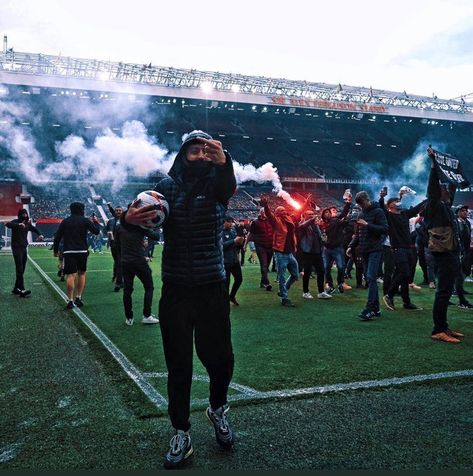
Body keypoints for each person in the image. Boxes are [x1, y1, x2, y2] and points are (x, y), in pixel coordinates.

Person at [123, 130, 236, 468]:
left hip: (212, 285)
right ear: (183, 153)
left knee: (220, 360)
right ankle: (181, 431)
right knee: (179, 364)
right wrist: (126, 221)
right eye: (194, 149)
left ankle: (217, 409)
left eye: (206, 149)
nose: (201, 154)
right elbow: (143, 224)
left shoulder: (219, 183)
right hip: (176, 290)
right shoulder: (165, 187)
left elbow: (228, 185)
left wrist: (225, 162)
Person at [424, 147, 465, 343]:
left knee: (447, 291)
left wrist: (456, 177)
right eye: (445, 189)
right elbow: (433, 188)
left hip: (451, 253)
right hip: (443, 254)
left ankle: (444, 326)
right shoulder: (433, 205)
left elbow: (452, 188)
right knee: (443, 292)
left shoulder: (446, 207)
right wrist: (434, 165)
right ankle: (437, 330)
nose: (448, 190)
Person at [379, 187, 425, 312]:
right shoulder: (388, 216)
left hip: (408, 248)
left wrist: (428, 199)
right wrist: (382, 197)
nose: (398, 202)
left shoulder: (405, 214)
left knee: (406, 276)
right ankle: (389, 295)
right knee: (404, 272)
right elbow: (381, 208)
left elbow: (418, 208)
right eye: (395, 202)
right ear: (390, 206)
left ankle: (406, 302)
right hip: (397, 248)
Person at [261, 194, 310, 307]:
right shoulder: (275, 221)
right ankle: (284, 297)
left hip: (290, 252)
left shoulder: (289, 219)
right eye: (281, 211)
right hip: (280, 253)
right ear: (277, 213)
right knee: (282, 276)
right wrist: (266, 205)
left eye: (284, 210)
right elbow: (269, 214)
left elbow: (298, 212)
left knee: (295, 274)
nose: (284, 212)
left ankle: (284, 289)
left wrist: (305, 203)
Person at [347, 191, 388, 321]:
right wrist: (351, 245)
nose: (361, 206)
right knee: (369, 279)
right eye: (359, 204)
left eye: (362, 203)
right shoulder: (362, 213)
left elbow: (385, 229)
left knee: (370, 277)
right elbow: (359, 233)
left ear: (367, 199)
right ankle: (375, 309)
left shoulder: (379, 212)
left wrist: (368, 225)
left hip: (375, 249)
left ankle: (370, 308)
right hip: (364, 250)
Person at [116, 212, 160, 326]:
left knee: (127, 289)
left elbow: (116, 244)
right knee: (149, 287)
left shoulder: (119, 227)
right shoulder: (140, 226)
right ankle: (147, 315)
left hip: (125, 261)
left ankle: (129, 318)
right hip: (139, 261)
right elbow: (156, 236)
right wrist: (154, 224)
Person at [53, 202, 100, 309]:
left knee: (70, 275)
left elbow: (57, 237)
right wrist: (96, 223)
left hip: (69, 251)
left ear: (71, 209)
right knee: (81, 274)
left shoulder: (65, 221)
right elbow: (96, 232)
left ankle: (70, 300)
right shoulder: (85, 220)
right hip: (82, 251)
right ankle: (78, 298)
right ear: (82, 209)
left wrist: (56, 251)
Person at [6, 208, 44, 297]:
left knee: (22, 268)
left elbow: (34, 229)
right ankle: (22, 290)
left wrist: (40, 234)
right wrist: (18, 224)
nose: (24, 215)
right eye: (23, 214)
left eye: (25, 214)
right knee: (19, 268)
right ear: (19, 215)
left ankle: (16, 288)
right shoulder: (15, 222)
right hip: (16, 248)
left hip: (24, 248)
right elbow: (8, 224)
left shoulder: (27, 224)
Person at [319, 197, 352, 294]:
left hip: (337, 248)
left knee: (341, 267)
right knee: (326, 267)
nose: (328, 213)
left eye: (329, 212)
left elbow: (343, 214)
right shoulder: (320, 224)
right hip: (327, 249)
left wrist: (348, 203)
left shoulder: (335, 221)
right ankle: (329, 284)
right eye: (326, 212)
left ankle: (340, 282)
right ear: (323, 215)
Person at [298, 208, 331, 299]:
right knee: (307, 272)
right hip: (307, 252)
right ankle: (305, 292)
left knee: (321, 271)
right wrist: (312, 220)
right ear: (304, 216)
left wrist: (323, 239)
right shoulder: (303, 224)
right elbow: (301, 227)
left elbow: (319, 236)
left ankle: (321, 292)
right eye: (309, 214)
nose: (312, 216)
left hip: (317, 252)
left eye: (313, 214)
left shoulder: (316, 225)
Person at [246, 208, 273, 291]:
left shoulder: (271, 220)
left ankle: (262, 282)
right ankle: (266, 283)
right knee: (264, 264)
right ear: (260, 213)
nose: (265, 213)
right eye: (263, 212)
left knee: (266, 265)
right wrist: (245, 244)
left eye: (266, 212)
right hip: (260, 246)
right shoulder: (255, 222)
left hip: (270, 246)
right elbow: (251, 233)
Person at [453, 204, 473, 310]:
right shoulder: (456, 223)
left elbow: (467, 237)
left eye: (466, 210)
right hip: (458, 252)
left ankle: (457, 293)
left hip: (466, 251)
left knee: (466, 271)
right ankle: (461, 300)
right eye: (462, 210)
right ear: (458, 212)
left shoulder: (467, 223)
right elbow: (457, 238)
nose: (465, 212)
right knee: (459, 275)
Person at [222, 216, 244, 306]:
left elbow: (235, 245)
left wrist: (240, 243)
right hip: (225, 262)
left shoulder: (231, 231)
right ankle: (224, 302)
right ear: (223, 222)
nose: (231, 224)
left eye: (231, 222)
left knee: (239, 279)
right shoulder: (219, 233)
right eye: (229, 222)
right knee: (226, 283)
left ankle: (232, 296)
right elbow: (221, 246)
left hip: (234, 261)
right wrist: (234, 241)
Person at [106, 204, 124, 292]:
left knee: (120, 262)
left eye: (120, 210)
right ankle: (116, 275)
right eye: (117, 211)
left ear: (122, 211)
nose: (118, 212)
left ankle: (119, 282)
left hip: (123, 245)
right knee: (117, 262)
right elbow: (106, 230)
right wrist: (109, 238)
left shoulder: (125, 221)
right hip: (114, 244)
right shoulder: (110, 221)